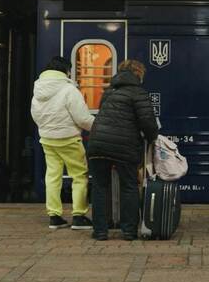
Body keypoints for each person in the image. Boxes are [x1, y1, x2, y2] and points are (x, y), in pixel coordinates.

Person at [88, 59, 159, 241]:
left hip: (97, 143)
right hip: (124, 146)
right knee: (128, 186)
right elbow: (148, 122)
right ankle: (128, 231)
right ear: (138, 74)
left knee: (99, 187)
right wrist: (153, 138)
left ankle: (100, 231)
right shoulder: (138, 93)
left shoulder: (108, 92)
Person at [30, 56, 95, 230]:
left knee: (52, 176)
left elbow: (35, 114)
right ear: (66, 70)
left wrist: (47, 128)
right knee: (79, 176)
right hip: (69, 139)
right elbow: (82, 118)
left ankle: (54, 216)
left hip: (47, 139)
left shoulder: (38, 89)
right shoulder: (69, 90)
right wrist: (97, 125)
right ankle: (78, 216)